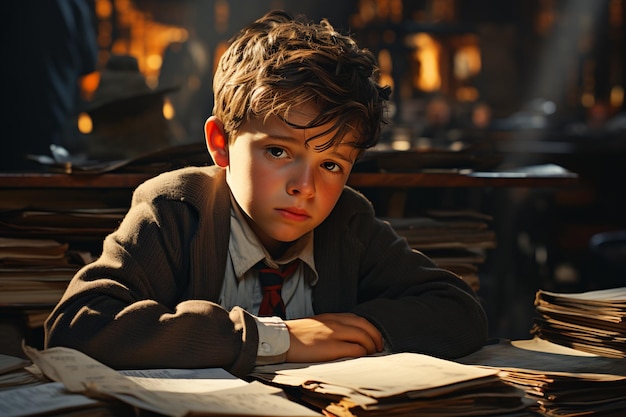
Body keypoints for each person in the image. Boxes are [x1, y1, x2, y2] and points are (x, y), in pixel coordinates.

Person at [44, 10, 488, 377]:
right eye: (278, 151)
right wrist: (277, 339)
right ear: (221, 144)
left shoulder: (348, 221)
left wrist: (362, 329)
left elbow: (460, 311)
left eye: (331, 164)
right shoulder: (175, 210)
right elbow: (76, 324)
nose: (305, 187)